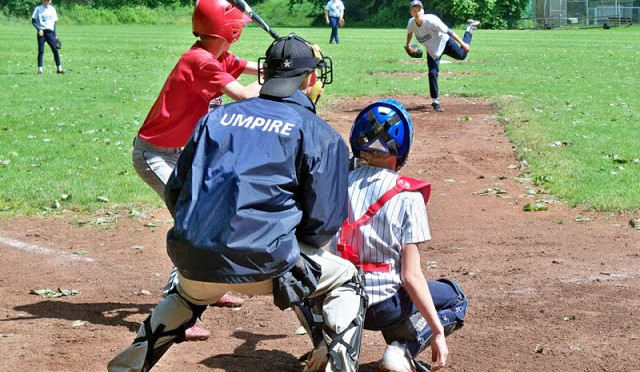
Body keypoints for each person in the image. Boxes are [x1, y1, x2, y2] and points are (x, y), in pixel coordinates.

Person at [107, 33, 368, 372]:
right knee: (348, 280)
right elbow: (322, 226)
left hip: (192, 258)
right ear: (311, 78)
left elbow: (177, 193)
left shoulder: (215, 118)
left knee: (187, 293)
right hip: (269, 264)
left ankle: (127, 366)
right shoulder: (321, 134)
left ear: (265, 74)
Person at [301, 99, 468, 372]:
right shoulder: (408, 196)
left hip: (339, 302)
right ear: (401, 151)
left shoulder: (337, 183)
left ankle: (326, 342)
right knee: (456, 296)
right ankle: (401, 350)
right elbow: (410, 277)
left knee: (302, 280)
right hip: (385, 308)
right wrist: (437, 332)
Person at [131, 0, 262, 342]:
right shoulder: (200, 60)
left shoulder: (216, 55)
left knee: (212, 215)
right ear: (228, 30)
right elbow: (244, 94)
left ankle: (208, 287)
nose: (241, 30)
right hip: (155, 156)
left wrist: (290, 60)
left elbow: (253, 69)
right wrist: (283, 81)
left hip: (184, 156)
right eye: (238, 26)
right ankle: (172, 312)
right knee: (191, 223)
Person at [406, 0, 480, 112]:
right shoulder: (411, 23)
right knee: (432, 73)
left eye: (419, 10)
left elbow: (449, 32)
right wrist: (407, 46)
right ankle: (435, 101)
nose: (417, 13)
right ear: (411, 12)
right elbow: (409, 33)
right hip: (432, 51)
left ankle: (469, 28)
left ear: (423, 11)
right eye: (414, 10)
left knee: (462, 56)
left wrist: (463, 44)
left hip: (445, 43)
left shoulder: (431, 21)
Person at [31, 0, 65, 75]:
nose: (46, 1)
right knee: (41, 51)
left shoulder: (52, 9)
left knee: (55, 50)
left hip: (50, 33)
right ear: (42, 1)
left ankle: (59, 69)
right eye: (45, 0)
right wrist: (39, 29)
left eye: (48, 0)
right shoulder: (38, 9)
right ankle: (40, 70)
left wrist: (55, 36)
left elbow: (54, 23)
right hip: (41, 33)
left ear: (50, 1)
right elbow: (33, 20)